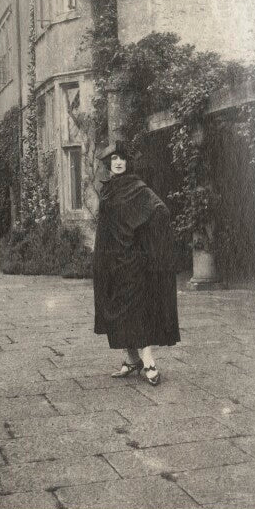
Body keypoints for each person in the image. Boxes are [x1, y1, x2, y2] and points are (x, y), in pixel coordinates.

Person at [93, 140, 180, 385]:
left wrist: (143, 239)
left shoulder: (137, 186)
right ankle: (132, 360)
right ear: (108, 163)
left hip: (133, 261)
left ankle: (149, 360)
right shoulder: (108, 188)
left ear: (127, 162)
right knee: (117, 310)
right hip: (112, 260)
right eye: (113, 159)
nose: (118, 162)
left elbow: (160, 210)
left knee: (138, 311)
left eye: (121, 158)